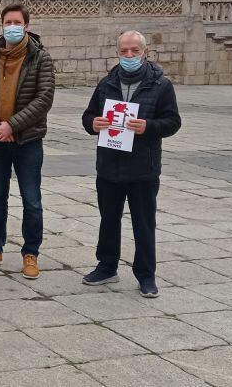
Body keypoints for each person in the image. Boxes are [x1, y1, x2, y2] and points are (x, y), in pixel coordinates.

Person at [81, 31, 181, 298]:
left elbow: (173, 122)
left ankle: (146, 275)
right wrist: (93, 123)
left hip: (143, 168)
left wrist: (149, 126)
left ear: (145, 52)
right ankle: (106, 265)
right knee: (108, 219)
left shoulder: (161, 86)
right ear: (117, 52)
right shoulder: (106, 84)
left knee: (144, 223)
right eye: (124, 51)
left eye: (134, 51)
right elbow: (88, 115)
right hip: (109, 165)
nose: (129, 56)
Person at [0, 4, 55, 279]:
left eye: (17, 22)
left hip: (27, 141)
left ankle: (31, 253)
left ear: (26, 26)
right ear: (2, 24)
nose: (12, 26)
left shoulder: (41, 58)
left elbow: (44, 98)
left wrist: (11, 126)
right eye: (8, 22)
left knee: (31, 200)